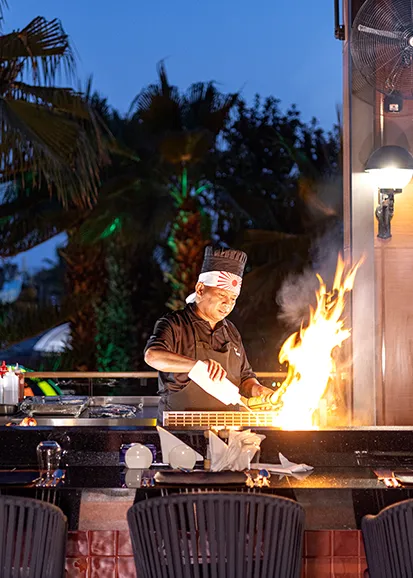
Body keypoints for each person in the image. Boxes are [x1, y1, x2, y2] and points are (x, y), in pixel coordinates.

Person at [144, 246, 274, 422]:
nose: (228, 304)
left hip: (228, 428)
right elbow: (152, 356)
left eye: (233, 298)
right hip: (180, 428)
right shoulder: (175, 324)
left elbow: (245, 378)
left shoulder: (231, 332)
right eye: (221, 295)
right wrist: (197, 365)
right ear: (200, 289)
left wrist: (258, 390)